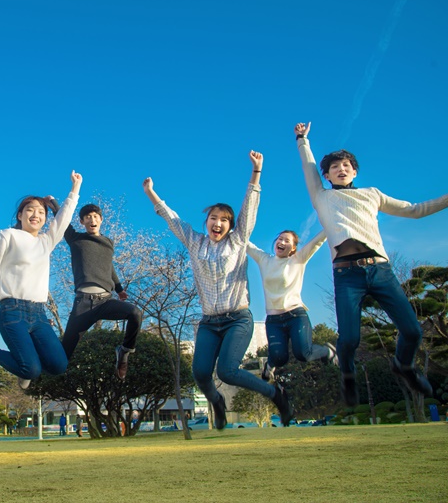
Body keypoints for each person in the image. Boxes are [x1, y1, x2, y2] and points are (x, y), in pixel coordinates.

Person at [295, 121, 448, 405]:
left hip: (380, 271)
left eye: (347, 165)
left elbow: (415, 210)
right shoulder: (322, 197)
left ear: (355, 171)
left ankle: (403, 366)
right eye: (335, 167)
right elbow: (308, 169)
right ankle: (348, 376)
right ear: (326, 175)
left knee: (412, 330)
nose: (341, 169)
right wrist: (302, 141)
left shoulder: (372, 194)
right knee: (350, 339)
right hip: (346, 275)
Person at [142, 151, 293, 429]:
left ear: (230, 225)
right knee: (200, 374)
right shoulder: (194, 242)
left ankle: (276, 394)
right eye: (213, 217)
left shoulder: (238, 242)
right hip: (210, 322)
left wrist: (256, 173)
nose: (218, 223)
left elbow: (249, 208)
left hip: (237, 318)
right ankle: (217, 402)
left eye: (224, 219)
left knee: (227, 370)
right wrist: (152, 193)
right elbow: (172, 219)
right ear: (207, 221)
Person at [0, 171, 83, 389]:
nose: (35, 214)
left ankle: (24, 363)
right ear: (20, 215)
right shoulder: (8, 236)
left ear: (45, 219)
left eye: (41, 212)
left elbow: (64, 217)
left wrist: (75, 189)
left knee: (59, 365)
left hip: (39, 313)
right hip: (12, 311)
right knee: (31, 370)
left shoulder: (46, 241)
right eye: (29, 210)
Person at [50, 201, 143, 380]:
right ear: (82, 222)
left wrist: (119, 289)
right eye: (87, 218)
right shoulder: (76, 238)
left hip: (105, 301)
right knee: (63, 357)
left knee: (135, 313)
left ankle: (124, 352)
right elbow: (62, 222)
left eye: (95, 217)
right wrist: (54, 205)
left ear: (101, 220)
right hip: (83, 304)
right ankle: (33, 363)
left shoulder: (108, 242)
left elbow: (109, 267)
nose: (92, 219)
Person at [247, 229, 337, 381]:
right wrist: (228, 228)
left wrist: (331, 222)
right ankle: (270, 365)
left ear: (293, 248)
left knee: (303, 354)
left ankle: (327, 352)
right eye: (280, 239)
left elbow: (317, 241)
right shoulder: (265, 260)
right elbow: (245, 243)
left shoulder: (298, 260)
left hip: (296, 316)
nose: (281, 242)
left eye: (286, 241)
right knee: (279, 357)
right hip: (274, 320)